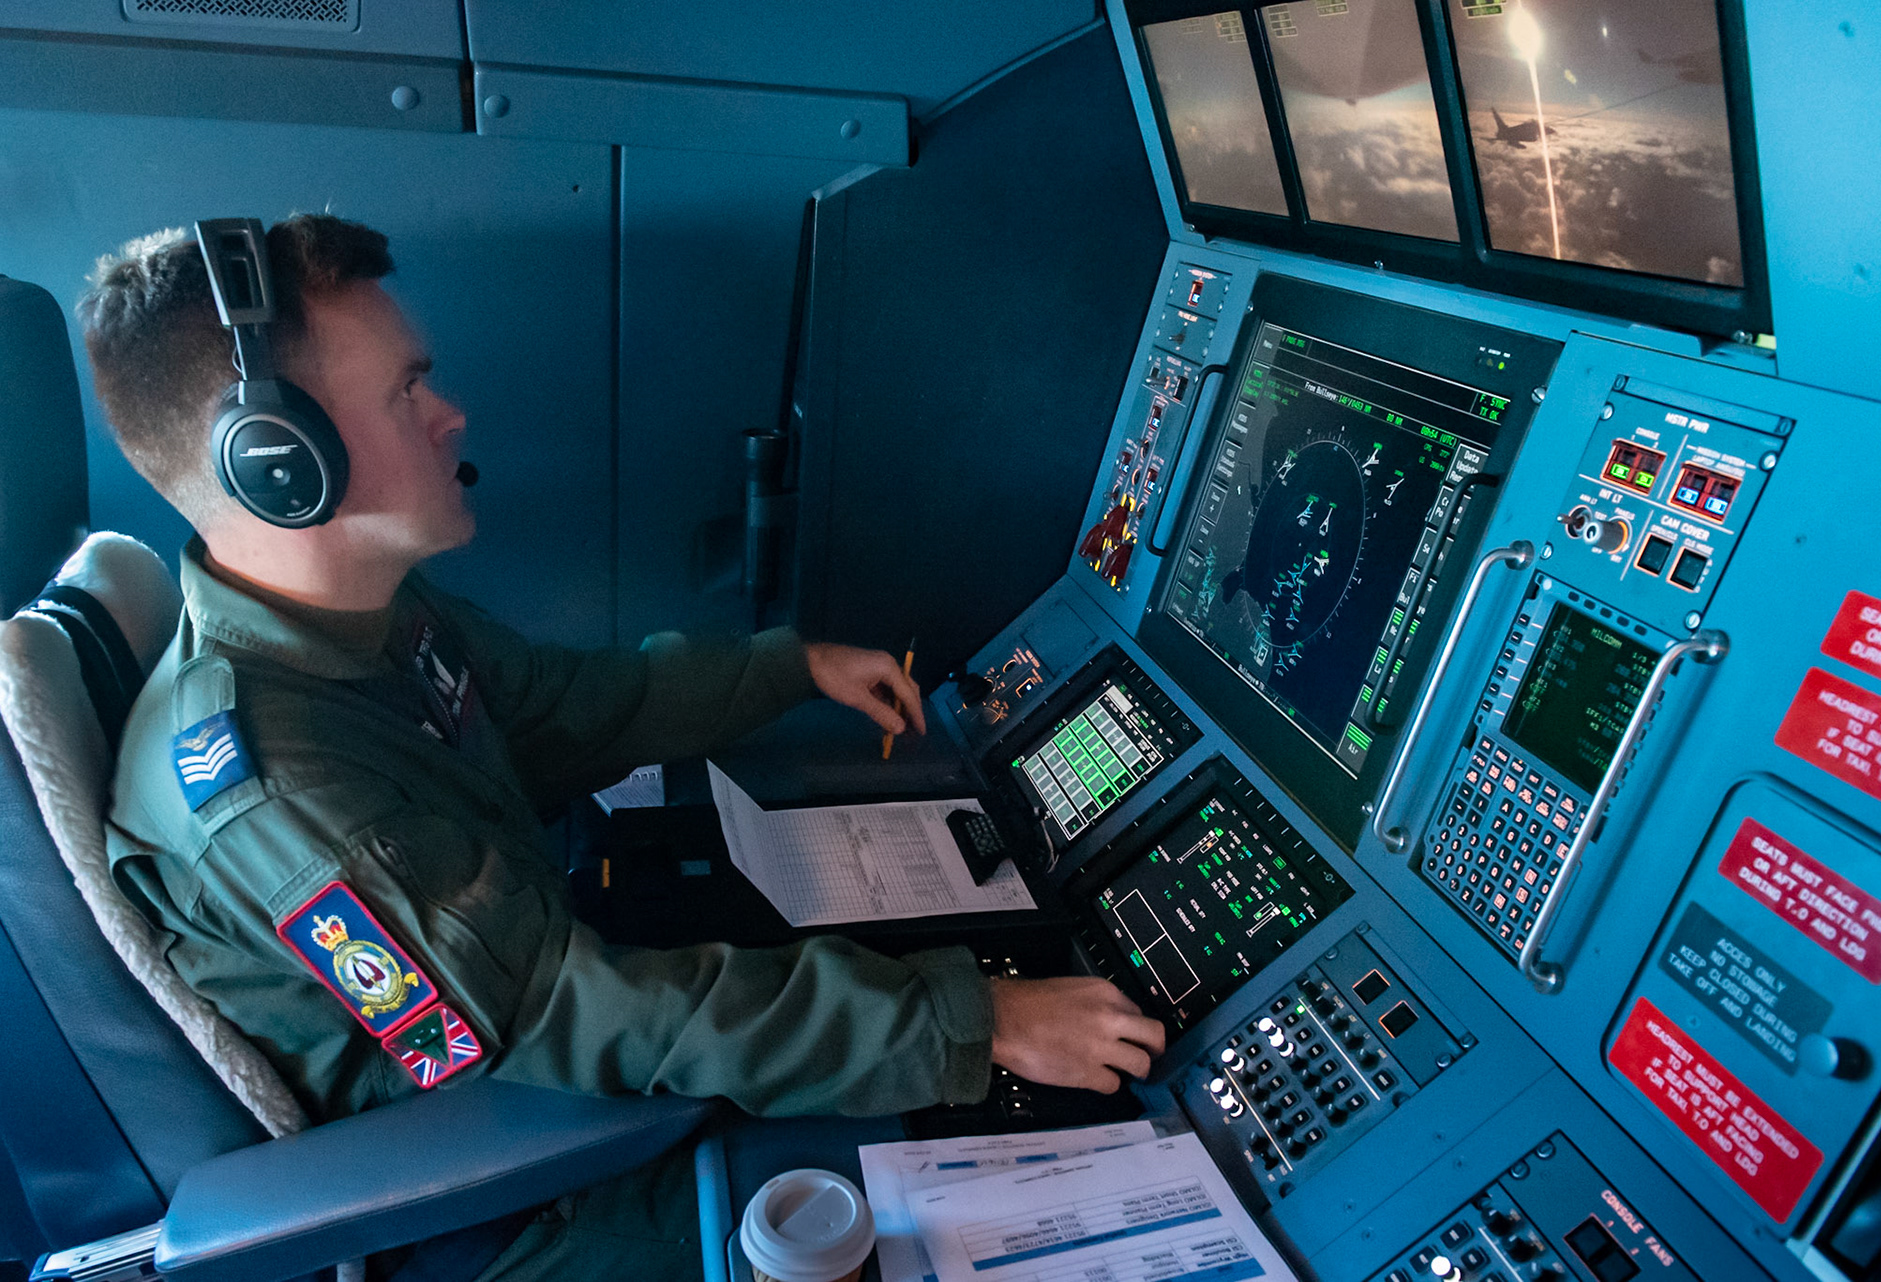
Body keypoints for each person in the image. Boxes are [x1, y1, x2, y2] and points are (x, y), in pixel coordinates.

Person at [80, 214, 1165, 1280]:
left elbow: (562, 707)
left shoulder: (358, 626)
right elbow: (572, 1014)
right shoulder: (277, 791)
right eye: (408, 389)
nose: (451, 413)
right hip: (514, 1195)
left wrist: (789, 667)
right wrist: (973, 1018)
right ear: (278, 462)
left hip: (557, 1056)